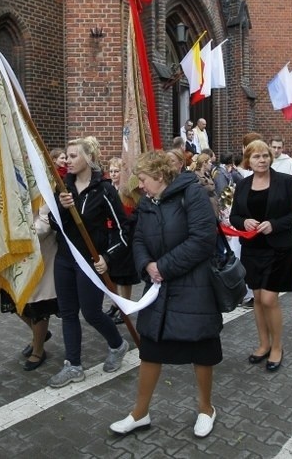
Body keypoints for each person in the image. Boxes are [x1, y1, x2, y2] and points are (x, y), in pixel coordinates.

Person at [110, 150, 221, 438]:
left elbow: (203, 239)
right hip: (160, 288)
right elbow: (138, 239)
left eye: (144, 179)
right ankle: (140, 413)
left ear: (159, 177)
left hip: (194, 287)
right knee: (150, 350)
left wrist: (164, 266)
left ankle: (206, 409)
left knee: (201, 351)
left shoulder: (193, 195)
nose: (141, 186)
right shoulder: (147, 202)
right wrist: (147, 264)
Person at [47, 137, 130, 388]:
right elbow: (53, 223)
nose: (67, 160)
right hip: (64, 258)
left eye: (73, 156)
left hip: (90, 261)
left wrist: (108, 257)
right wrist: (61, 208)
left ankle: (117, 344)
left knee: (91, 312)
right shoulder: (63, 187)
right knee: (68, 313)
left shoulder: (104, 189)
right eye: (67, 156)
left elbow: (123, 230)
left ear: (88, 158)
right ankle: (73, 365)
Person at [229, 140, 292, 369]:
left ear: (271, 158)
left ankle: (277, 347)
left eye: (265, 156)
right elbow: (234, 217)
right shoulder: (242, 185)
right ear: (248, 160)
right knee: (258, 299)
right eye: (256, 157)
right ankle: (263, 344)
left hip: (278, 247)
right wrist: (244, 221)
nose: (261, 160)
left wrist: (275, 224)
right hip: (253, 249)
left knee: (270, 299)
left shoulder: (286, 181)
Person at [1, 203, 60, 371]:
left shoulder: (41, 188)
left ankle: (39, 349)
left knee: (37, 304)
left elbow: (44, 225)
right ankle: (39, 335)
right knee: (14, 300)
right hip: (15, 255)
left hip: (39, 255)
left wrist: (17, 233)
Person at [104, 157, 139, 324]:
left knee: (124, 274)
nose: (113, 174)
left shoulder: (127, 191)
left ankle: (126, 307)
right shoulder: (109, 188)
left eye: (116, 171)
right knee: (113, 274)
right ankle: (116, 303)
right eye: (111, 171)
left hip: (126, 234)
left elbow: (133, 213)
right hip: (111, 234)